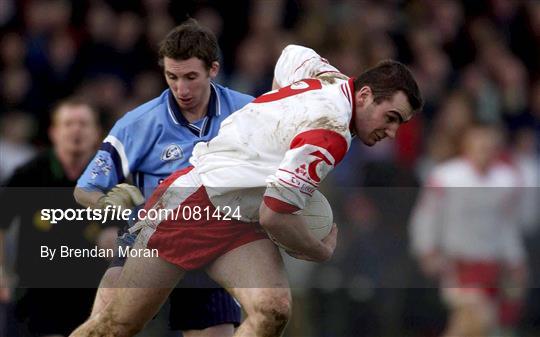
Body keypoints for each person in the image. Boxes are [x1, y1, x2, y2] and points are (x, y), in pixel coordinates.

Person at [70, 44, 423, 337]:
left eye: (399, 123)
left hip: (239, 218)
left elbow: (291, 53)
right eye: (390, 117)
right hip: (193, 206)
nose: (391, 131)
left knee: (272, 309)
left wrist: (270, 127)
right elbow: (275, 217)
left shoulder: (328, 80)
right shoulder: (330, 132)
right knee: (115, 326)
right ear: (364, 95)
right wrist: (318, 249)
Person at [74, 19, 254, 337]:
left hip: (213, 241)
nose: (181, 89)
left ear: (213, 69)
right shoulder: (139, 123)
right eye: (172, 77)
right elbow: (86, 189)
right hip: (149, 238)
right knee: (105, 321)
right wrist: (113, 210)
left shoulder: (249, 113)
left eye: (190, 77)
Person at [409, 123, 528, 337]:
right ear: (467, 145)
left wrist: (515, 260)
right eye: (479, 142)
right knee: (479, 318)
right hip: (458, 266)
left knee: (477, 328)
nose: (484, 148)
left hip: (493, 267)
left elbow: (508, 227)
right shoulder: (446, 176)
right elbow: (426, 216)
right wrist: (426, 250)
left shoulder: (507, 180)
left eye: (489, 143)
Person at [0, 98, 104, 336]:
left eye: (83, 124)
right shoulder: (29, 174)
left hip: (92, 293)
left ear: (97, 132)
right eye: (68, 124)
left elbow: (128, 231)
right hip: (35, 293)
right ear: (54, 132)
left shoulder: (112, 179)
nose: (76, 130)